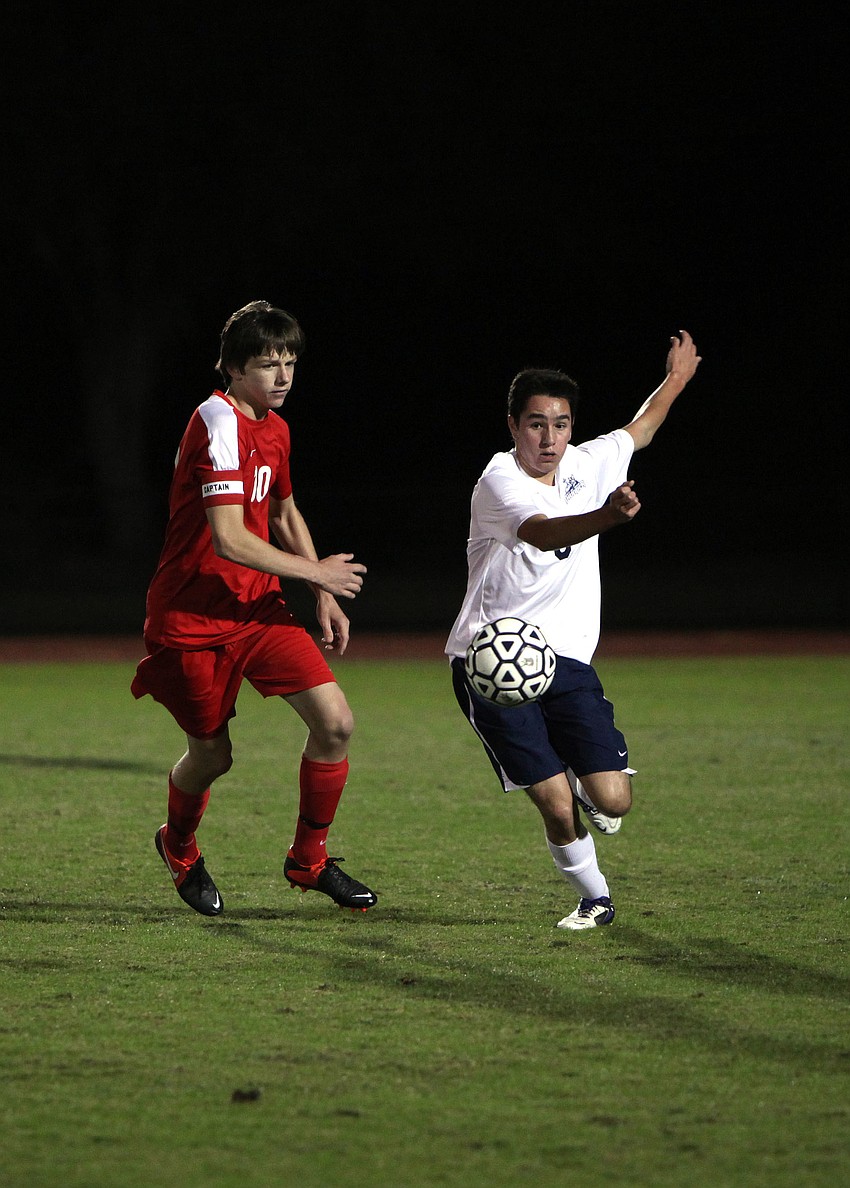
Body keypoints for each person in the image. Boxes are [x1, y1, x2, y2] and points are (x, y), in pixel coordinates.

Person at [445, 331, 701, 930]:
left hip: (564, 662)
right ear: (513, 426)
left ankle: (585, 784)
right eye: (536, 424)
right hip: (491, 664)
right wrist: (608, 518)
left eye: (560, 424)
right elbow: (541, 532)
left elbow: (641, 430)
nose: (550, 438)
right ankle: (595, 897)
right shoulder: (498, 481)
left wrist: (677, 380)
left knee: (613, 800)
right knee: (556, 803)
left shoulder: (587, 462)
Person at [131, 300, 377, 917]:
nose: (284, 375)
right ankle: (179, 845)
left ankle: (309, 861)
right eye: (269, 363)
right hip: (194, 620)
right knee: (214, 756)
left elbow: (285, 513)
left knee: (336, 724)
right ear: (234, 369)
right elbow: (230, 538)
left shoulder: (276, 427)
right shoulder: (215, 422)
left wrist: (320, 591)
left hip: (259, 612)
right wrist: (317, 572)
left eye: (290, 361)